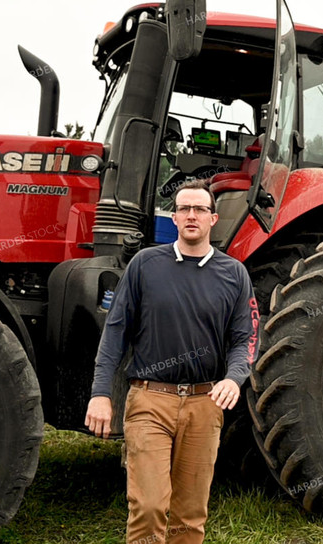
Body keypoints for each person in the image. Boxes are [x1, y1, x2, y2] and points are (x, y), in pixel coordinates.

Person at [85, 180, 258, 544]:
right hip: (150, 400)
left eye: (199, 209)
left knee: (189, 515)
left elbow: (244, 339)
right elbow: (115, 333)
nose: (191, 215)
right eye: (183, 209)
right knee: (148, 507)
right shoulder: (145, 265)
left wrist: (234, 378)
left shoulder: (234, 274)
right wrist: (101, 393)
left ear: (213, 218)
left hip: (205, 404)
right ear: (175, 218)